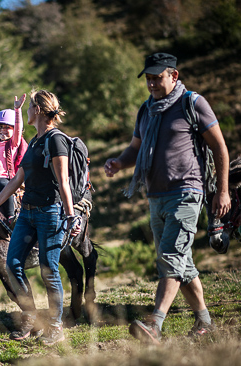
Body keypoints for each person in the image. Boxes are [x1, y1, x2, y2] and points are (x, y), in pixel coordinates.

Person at [104, 52, 231, 344]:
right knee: (179, 263)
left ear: (173, 75)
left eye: (156, 78)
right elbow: (135, 148)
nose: (151, 84)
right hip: (156, 195)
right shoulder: (146, 110)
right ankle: (205, 322)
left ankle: (155, 324)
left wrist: (222, 191)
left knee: (171, 258)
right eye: (148, 79)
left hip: (187, 192)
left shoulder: (193, 103)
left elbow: (220, 149)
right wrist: (119, 163)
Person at [0, 90, 81, 346]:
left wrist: (70, 217)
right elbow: (17, 179)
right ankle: (32, 316)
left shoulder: (56, 140)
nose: (26, 112)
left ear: (37, 110)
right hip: (27, 212)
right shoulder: (35, 142)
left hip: (51, 213)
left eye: (29, 108)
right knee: (12, 263)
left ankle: (56, 325)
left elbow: (63, 181)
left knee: (49, 269)